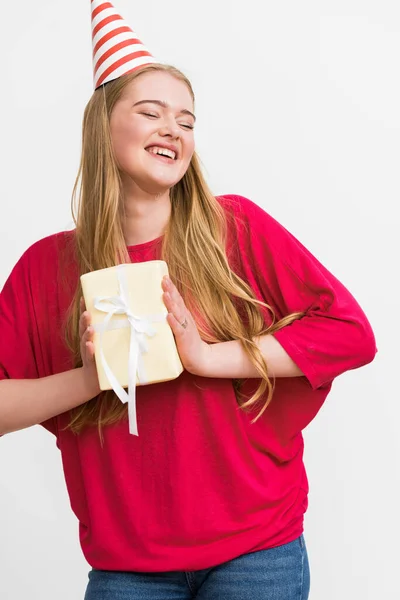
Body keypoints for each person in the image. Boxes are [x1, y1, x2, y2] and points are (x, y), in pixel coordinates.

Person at [0, 1, 377, 599]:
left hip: (256, 549)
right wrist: (92, 378)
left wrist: (209, 356)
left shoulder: (238, 229)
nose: (172, 129)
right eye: (150, 112)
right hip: (127, 565)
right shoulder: (45, 268)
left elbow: (351, 335)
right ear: (103, 127)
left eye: (186, 119)